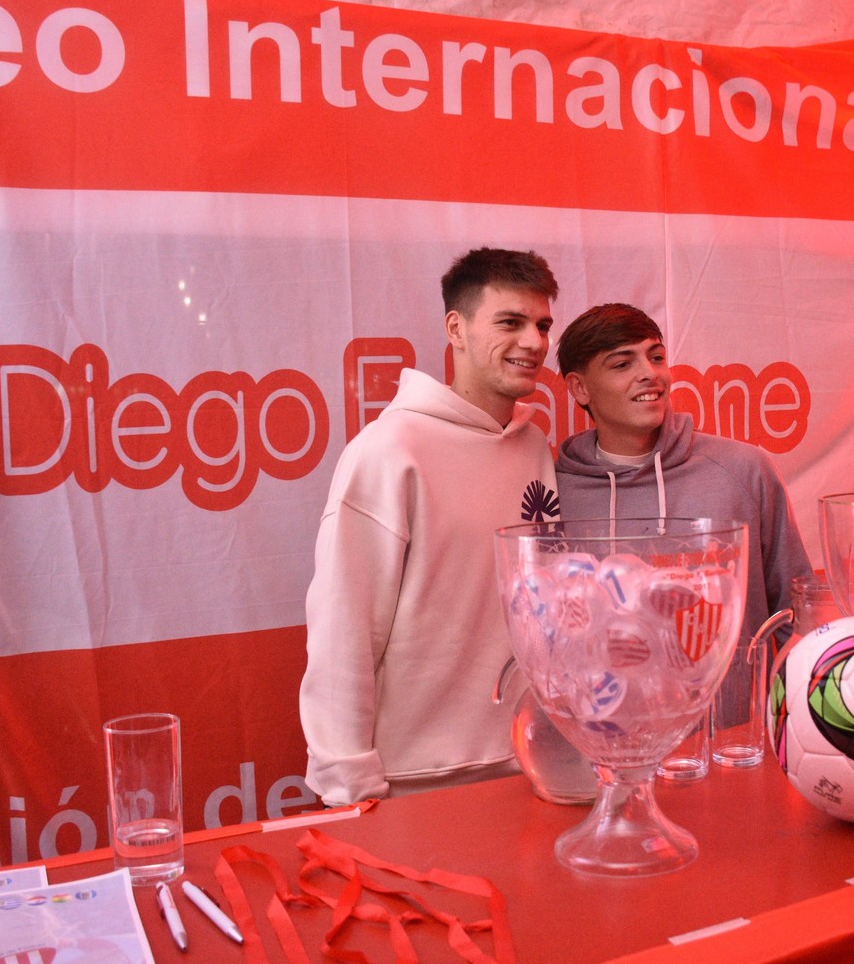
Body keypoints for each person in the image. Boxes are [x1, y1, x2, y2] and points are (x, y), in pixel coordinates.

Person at [300, 248, 561, 805]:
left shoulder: (534, 445)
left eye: (542, 325)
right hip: (415, 784)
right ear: (456, 329)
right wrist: (350, 788)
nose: (535, 342)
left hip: (530, 766)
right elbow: (344, 630)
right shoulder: (389, 452)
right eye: (510, 322)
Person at [554, 303, 811, 635]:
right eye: (622, 364)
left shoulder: (744, 470)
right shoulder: (555, 489)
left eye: (656, 357)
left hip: (732, 688)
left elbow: (797, 614)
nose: (650, 374)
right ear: (579, 388)